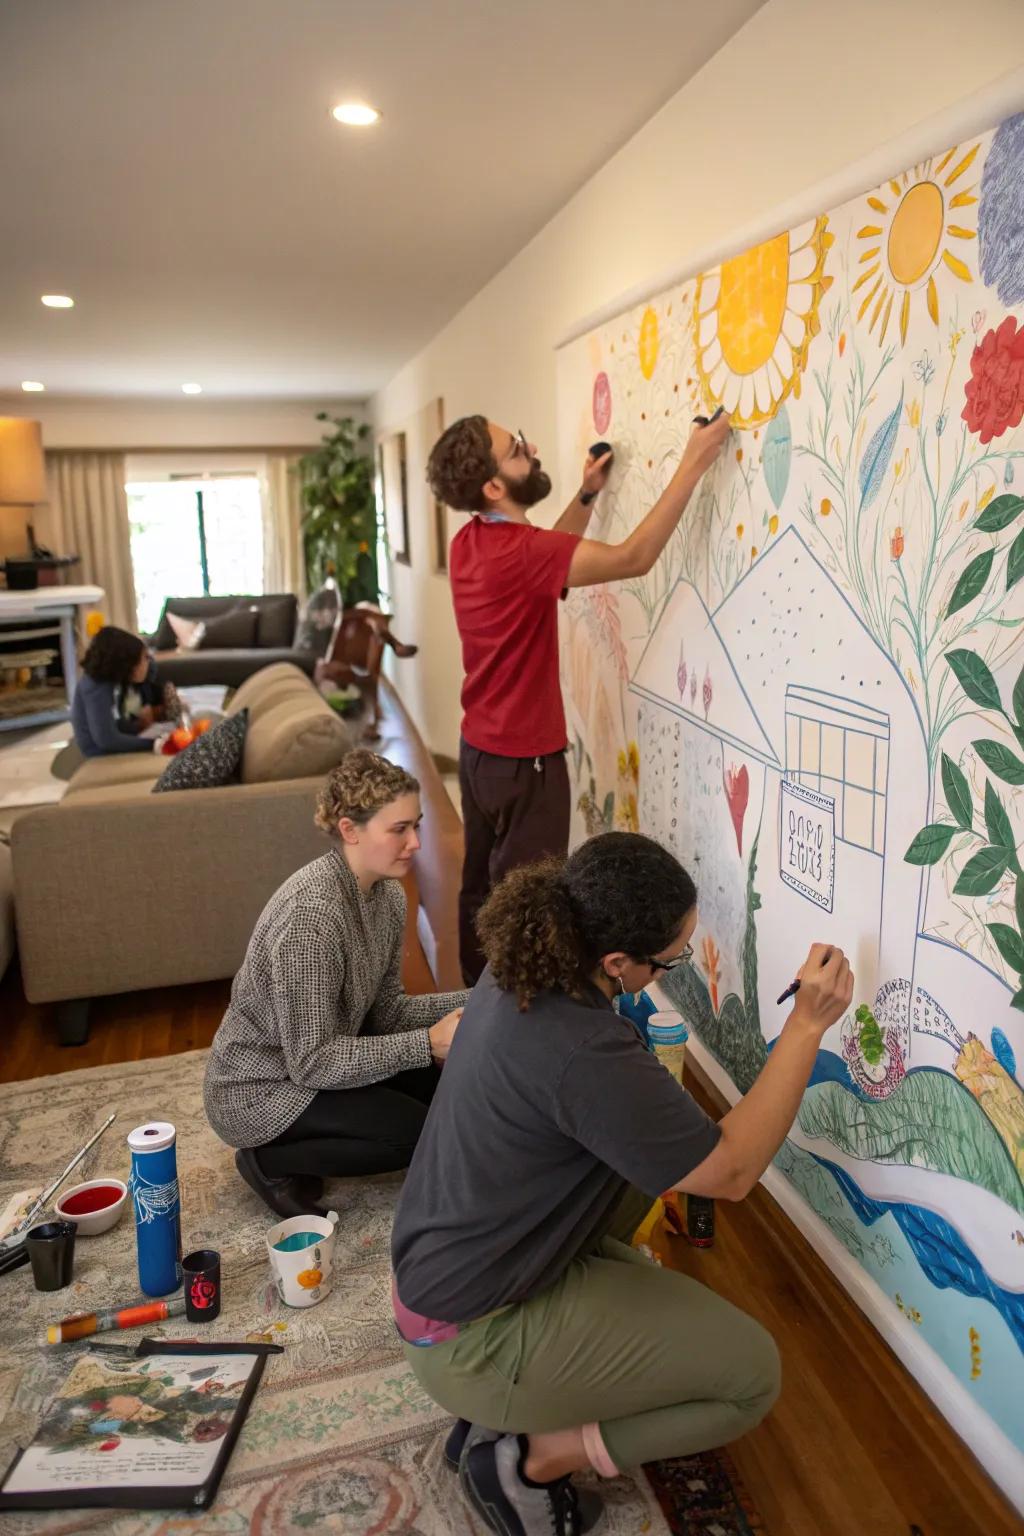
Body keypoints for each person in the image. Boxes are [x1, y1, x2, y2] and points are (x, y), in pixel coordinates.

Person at [391, 832, 853, 1536]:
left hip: (444, 1276)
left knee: (647, 1190)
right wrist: (806, 1026)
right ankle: (529, 1458)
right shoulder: (580, 1050)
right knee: (751, 1376)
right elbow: (730, 1174)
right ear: (615, 961)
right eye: (669, 959)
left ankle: (504, 1408)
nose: (676, 966)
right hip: (470, 1335)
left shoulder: (520, 967)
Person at [426, 410, 731, 984]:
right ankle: (516, 1016)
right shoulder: (521, 553)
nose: (531, 444)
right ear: (494, 485)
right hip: (526, 763)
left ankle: (471, 1005)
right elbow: (634, 558)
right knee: (529, 908)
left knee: (482, 889)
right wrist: (695, 460)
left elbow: (546, 552)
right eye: (517, 447)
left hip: (480, 754)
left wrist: (587, 494)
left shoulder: (473, 540)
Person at [203, 749, 468, 1219]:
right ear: (350, 830)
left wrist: (480, 999)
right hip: (262, 1087)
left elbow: (386, 1013)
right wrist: (427, 1044)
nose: (416, 844)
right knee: (413, 1134)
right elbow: (311, 1061)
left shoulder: (386, 895)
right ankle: (265, 1160)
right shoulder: (312, 919)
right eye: (399, 830)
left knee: (446, 1094)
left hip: (325, 1058)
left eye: (417, 825)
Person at [71, 625, 174, 757]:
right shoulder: (97, 688)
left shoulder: (105, 683)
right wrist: (154, 742)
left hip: (106, 748)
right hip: (100, 755)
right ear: (127, 662)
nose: (148, 663)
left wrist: (137, 727)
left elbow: (110, 724)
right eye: (144, 658)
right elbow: (107, 741)